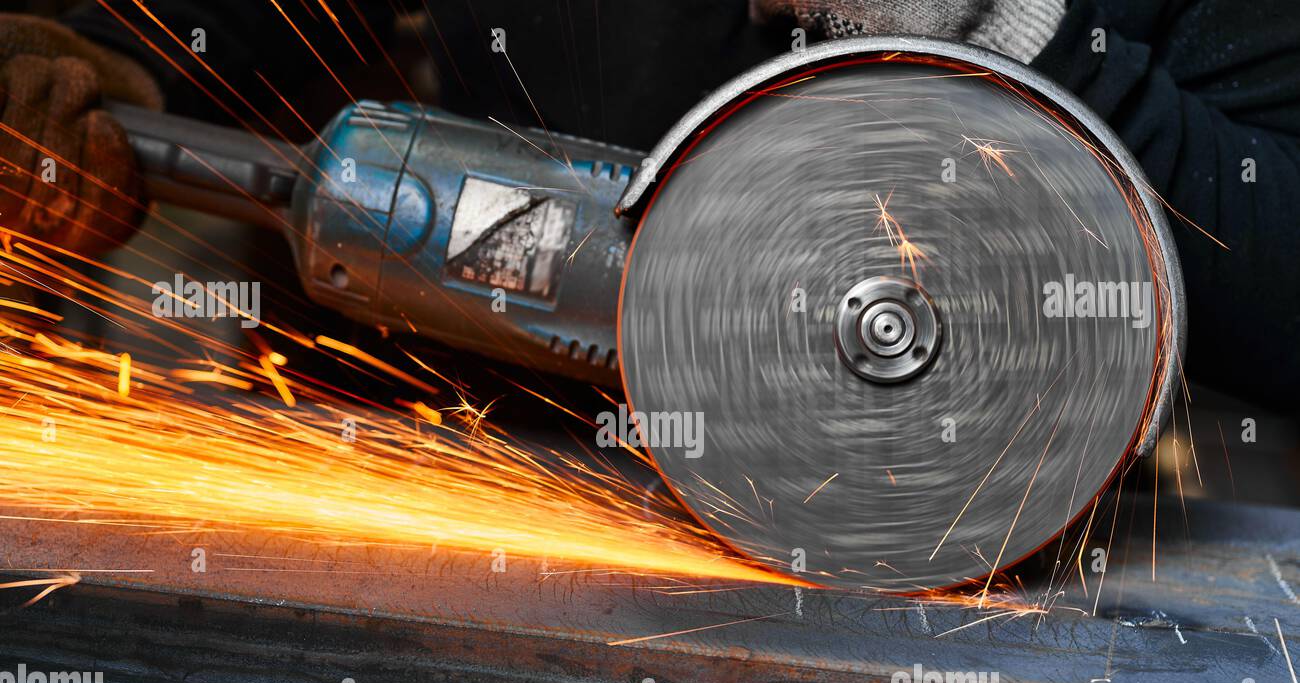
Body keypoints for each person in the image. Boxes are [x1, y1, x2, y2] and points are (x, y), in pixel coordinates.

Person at [0, 1, 1296, 408]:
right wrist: (110, 77)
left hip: (992, 586)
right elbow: (223, 34)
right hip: (442, 527)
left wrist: (1001, 36)